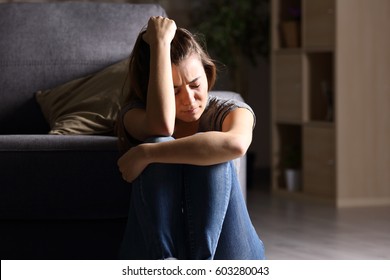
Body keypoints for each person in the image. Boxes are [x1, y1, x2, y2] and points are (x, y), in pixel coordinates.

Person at [117, 16, 265, 260]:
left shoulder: (230, 110)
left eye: (195, 84)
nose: (188, 100)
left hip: (227, 256)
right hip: (155, 255)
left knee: (212, 152)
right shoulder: (135, 114)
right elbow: (162, 126)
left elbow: (235, 144)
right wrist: (160, 44)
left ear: (207, 74)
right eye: (174, 90)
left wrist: (145, 153)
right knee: (159, 140)